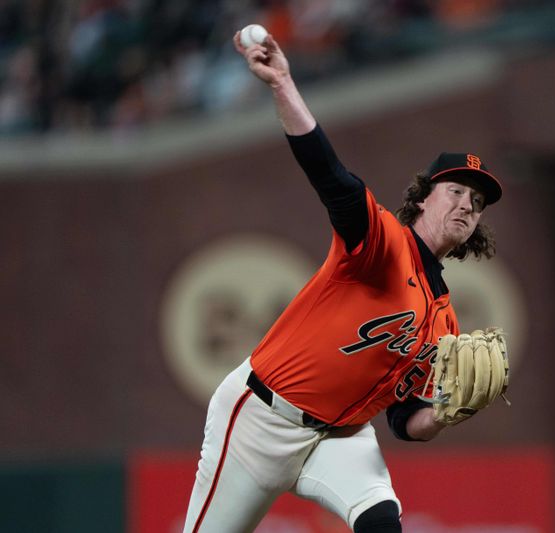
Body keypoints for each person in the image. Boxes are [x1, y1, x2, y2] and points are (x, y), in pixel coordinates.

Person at [183, 30, 504, 533]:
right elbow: (332, 178)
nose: (467, 204)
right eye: (456, 190)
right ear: (422, 198)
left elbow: (405, 421)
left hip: (341, 439)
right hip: (260, 421)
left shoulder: (444, 318)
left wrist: (445, 413)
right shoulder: (384, 245)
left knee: (383, 524)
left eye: (477, 202)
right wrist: (284, 85)